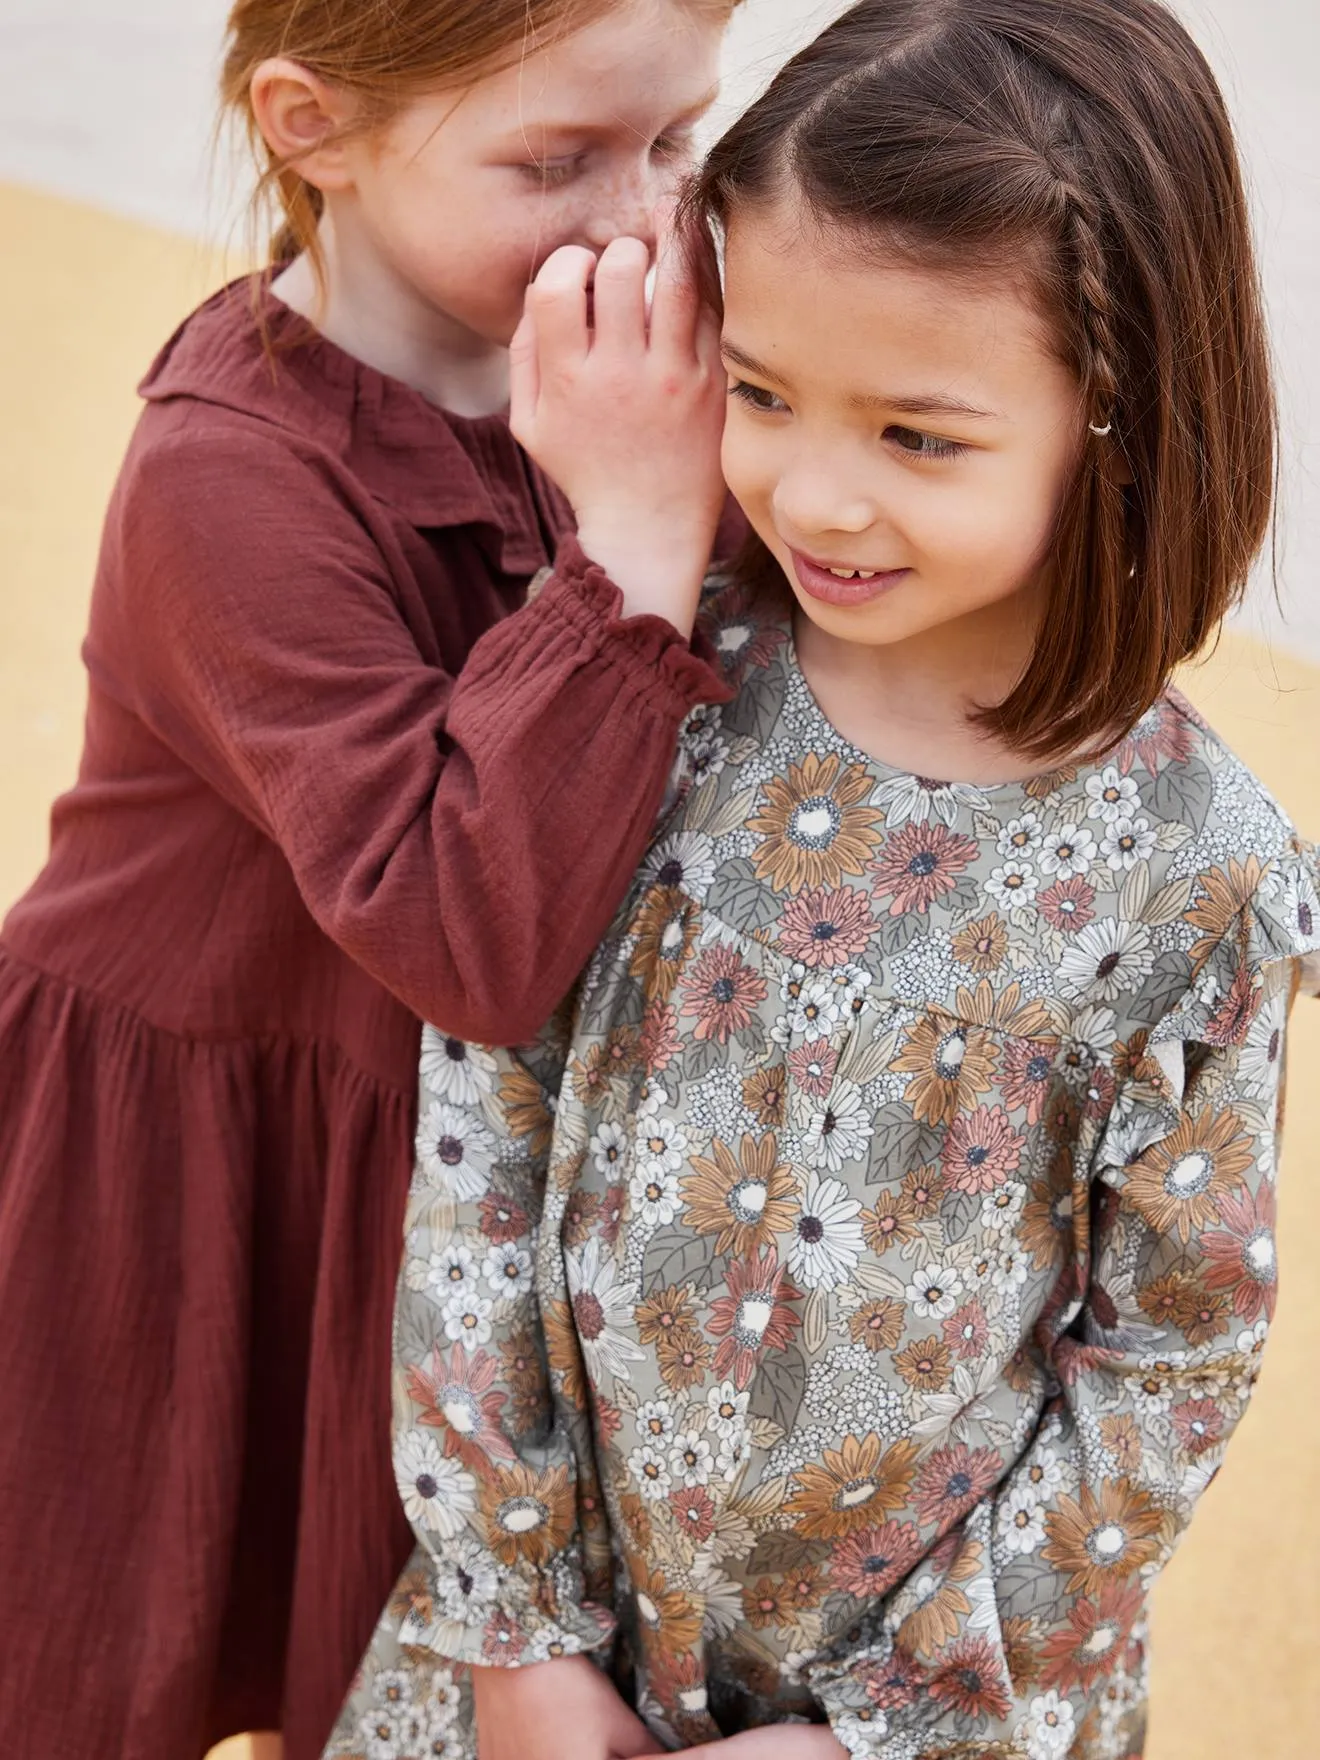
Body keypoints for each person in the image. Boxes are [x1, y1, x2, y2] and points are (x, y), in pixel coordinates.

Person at [338, 2, 1320, 1758]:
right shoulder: (651, 688)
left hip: (925, 1725)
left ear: (1119, 411)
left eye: (917, 437)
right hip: (544, 1655)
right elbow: (481, 1119)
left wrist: (871, 1731)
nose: (810, 490)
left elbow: (1163, 1368)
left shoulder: (1201, 883)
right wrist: (516, 1634)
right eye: (766, 393)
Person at [0, 0, 746, 1754]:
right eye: (556, 160)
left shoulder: (607, 368)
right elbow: (461, 929)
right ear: (311, 123)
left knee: (367, 1681)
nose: (642, 218)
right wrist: (639, 530)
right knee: (108, 1665)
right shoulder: (227, 473)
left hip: (435, 1206)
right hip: (186, 1182)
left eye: (676, 141)